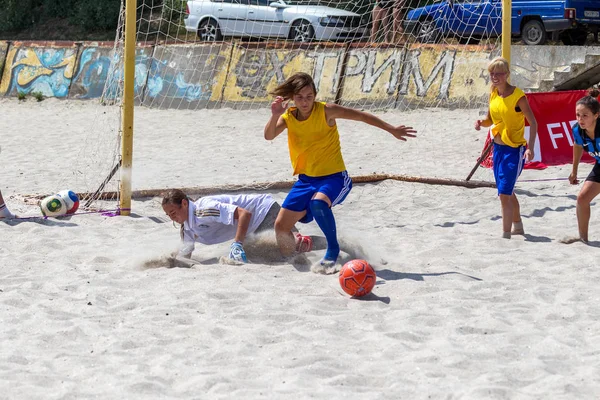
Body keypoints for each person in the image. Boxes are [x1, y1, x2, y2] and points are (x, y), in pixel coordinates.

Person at [263, 72, 416, 268]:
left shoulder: (327, 111)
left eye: (309, 96)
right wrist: (275, 114)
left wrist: (391, 129)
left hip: (334, 178)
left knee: (318, 204)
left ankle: (332, 249)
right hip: (306, 181)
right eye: (300, 97)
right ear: (292, 98)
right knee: (281, 227)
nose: (304, 102)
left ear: (315, 95)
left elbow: (361, 116)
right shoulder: (288, 117)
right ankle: (295, 256)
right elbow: (269, 135)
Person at [474, 57, 538, 239]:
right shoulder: (493, 93)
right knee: (507, 191)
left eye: (499, 73)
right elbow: (490, 120)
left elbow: (533, 122)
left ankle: (505, 235)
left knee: (504, 193)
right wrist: (481, 123)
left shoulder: (518, 97)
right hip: (498, 149)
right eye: (492, 73)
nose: (495, 77)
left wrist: (530, 147)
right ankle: (518, 227)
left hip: (514, 150)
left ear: (507, 75)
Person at [162, 189, 312, 263]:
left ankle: (330, 243)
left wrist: (237, 244)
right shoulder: (187, 228)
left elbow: (244, 214)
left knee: (292, 250)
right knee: (273, 253)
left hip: (263, 211)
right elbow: (185, 256)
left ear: (184, 203)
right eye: (168, 215)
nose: (172, 218)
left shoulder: (203, 210)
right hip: (252, 228)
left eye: (173, 212)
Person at [562, 89, 600, 244]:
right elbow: (577, 146)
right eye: (578, 115)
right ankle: (583, 238)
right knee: (582, 198)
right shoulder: (577, 130)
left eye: (585, 115)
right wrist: (574, 171)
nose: (580, 119)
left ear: (596, 115)